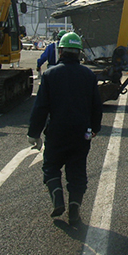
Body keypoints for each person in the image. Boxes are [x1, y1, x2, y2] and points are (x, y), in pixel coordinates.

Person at [27, 32, 103, 224]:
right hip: (81, 132)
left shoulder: (51, 75)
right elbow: (96, 105)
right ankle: (74, 207)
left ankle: (58, 200)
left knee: (51, 166)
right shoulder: (88, 75)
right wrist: (95, 128)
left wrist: (33, 133)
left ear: (60, 51)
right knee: (77, 170)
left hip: (57, 132)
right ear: (79, 53)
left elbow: (41, 107)